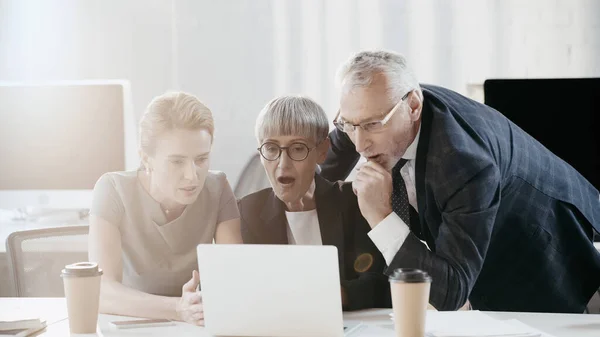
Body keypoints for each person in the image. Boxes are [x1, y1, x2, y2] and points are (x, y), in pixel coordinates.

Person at [320, 50, 600, 313]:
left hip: (543, 239)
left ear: (414, 106)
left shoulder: (462, 162)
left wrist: (380, 216)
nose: (359, 144)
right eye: (349, 125)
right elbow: (315, 176)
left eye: (371, 125)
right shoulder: (372, 110)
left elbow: (450, 294)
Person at [88, 92, 242, 325]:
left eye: (201, 159)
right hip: (132, 324)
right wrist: (177, 308)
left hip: (193, 326)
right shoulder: (112, 190)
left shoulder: (218, 187)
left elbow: (235, 277)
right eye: (177, 161)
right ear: (146, 159)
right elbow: (100, 291)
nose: (192, 176)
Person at [238, 95, 391, 311]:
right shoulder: (247, 210)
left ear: (322, 151)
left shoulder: (354, 202)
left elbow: (382, 285)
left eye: (298, 148)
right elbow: (239, 288)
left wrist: (333, 295)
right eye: (271, 148)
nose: (283, 165)